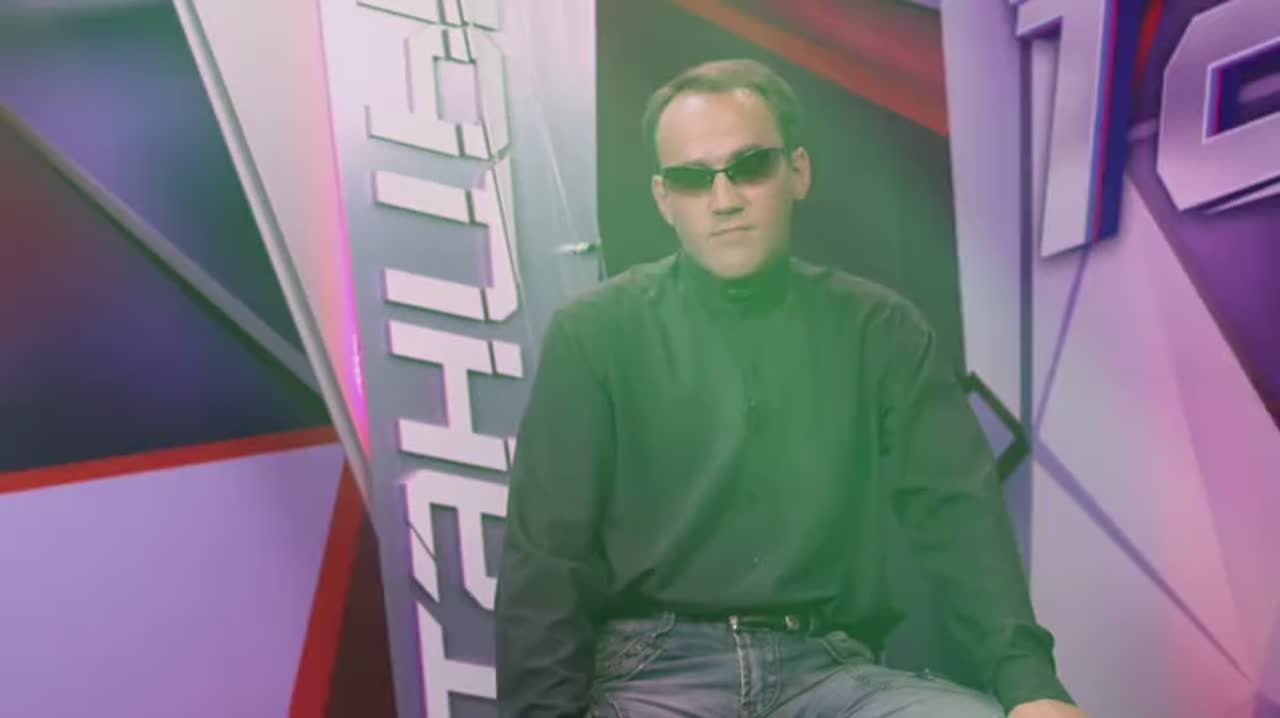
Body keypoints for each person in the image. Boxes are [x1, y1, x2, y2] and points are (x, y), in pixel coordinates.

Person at [494, 58, 1086, 718]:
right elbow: (546, 559)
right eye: (693, 179)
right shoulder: (595, 333)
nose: (724, 199)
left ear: (797, 172)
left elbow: (957, 517)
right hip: (653, 674)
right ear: (664, 199)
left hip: (829, 671)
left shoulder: (880, 330)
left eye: (750, 167)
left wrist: (1031, 684)